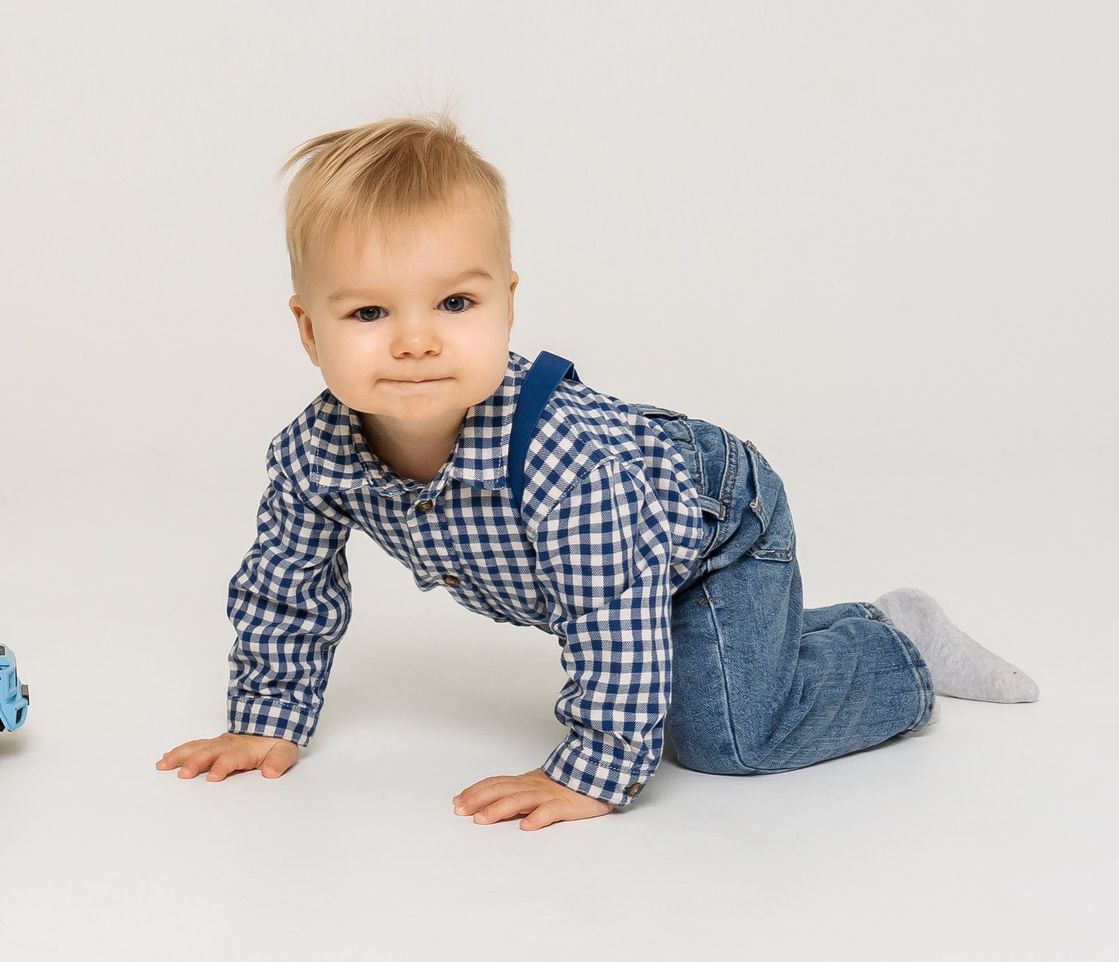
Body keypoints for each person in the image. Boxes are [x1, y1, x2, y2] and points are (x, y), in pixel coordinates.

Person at [154, 116, 1037, 829]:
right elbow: (288, 587)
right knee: (709, 675)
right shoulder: (314, 454)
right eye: (370, 310)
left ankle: (898, 643)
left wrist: (595, 769)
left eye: (456, 303)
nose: (416, 339)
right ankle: (786, 641)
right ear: (310, 332)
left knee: (728, 733)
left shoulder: (561, 459)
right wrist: (266, 715)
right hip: (632, 551)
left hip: (717, 527)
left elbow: (613, 605)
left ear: (508, 301)